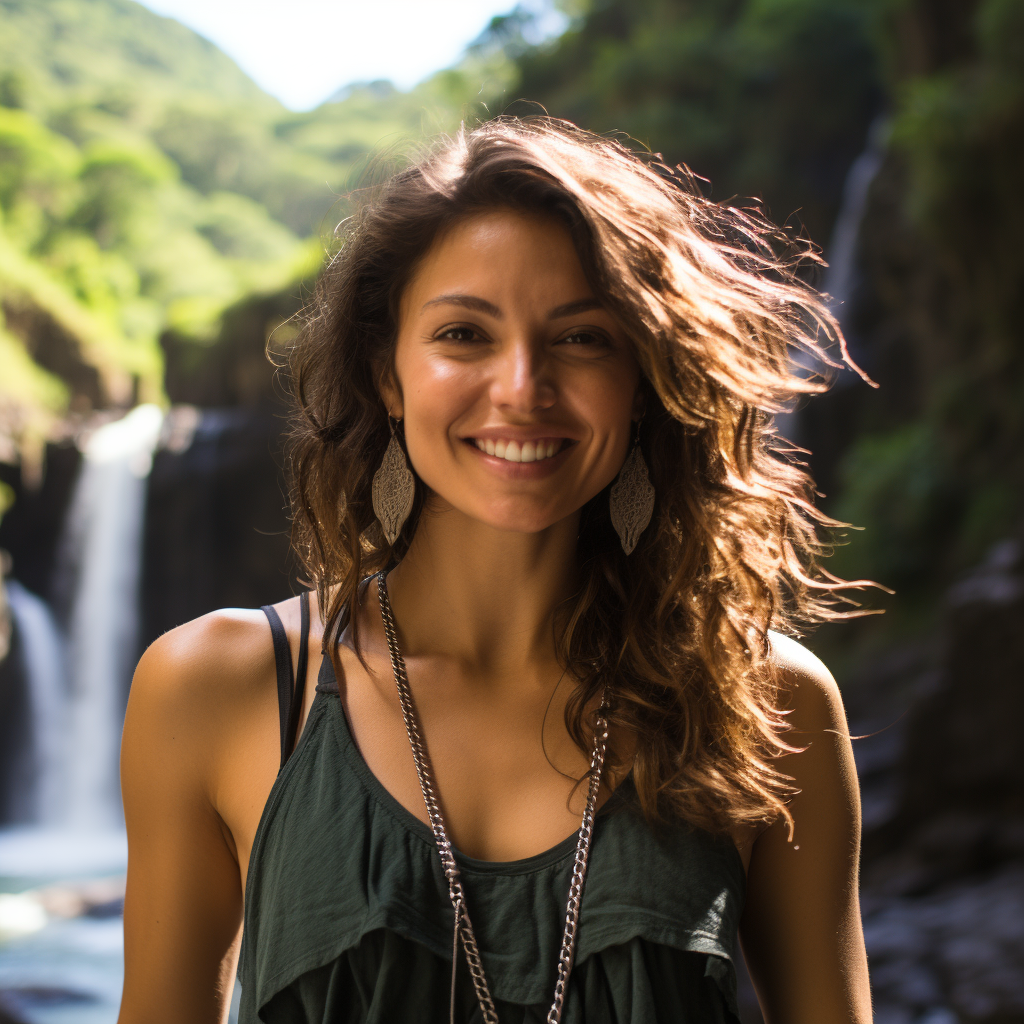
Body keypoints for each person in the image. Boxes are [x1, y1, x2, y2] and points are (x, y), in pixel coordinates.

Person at [118, 117, 872, 1024]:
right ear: (387, 375)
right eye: (465, 335)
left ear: (644, 380)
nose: (522, 386)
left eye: (583, 338)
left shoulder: (767, 701)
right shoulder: (218, 688)